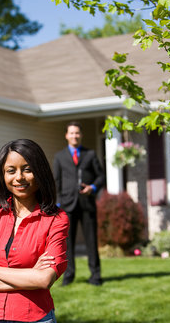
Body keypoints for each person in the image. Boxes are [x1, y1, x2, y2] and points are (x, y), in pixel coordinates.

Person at [0, 139, 69, 323]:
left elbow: (43, 280)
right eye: (11, 170)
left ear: (40, 171)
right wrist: (29, 276)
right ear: (2, 175)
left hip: (35, 317)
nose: (19, 177)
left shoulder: (56, 219)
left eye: (27, 169)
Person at [53, 121, 105, 286]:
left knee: (91, 241)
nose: (74, 136)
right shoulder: (59, 157)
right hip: (67, 205)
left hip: (87, 204)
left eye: (77, 133)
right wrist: (58, 203)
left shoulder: (90, 154)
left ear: (81, 135)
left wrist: (93, 187)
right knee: (68, 244)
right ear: (66, 136)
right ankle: (68, 276)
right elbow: (57, 181)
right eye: (71, 133)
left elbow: (101, 176)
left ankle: (95, 276)